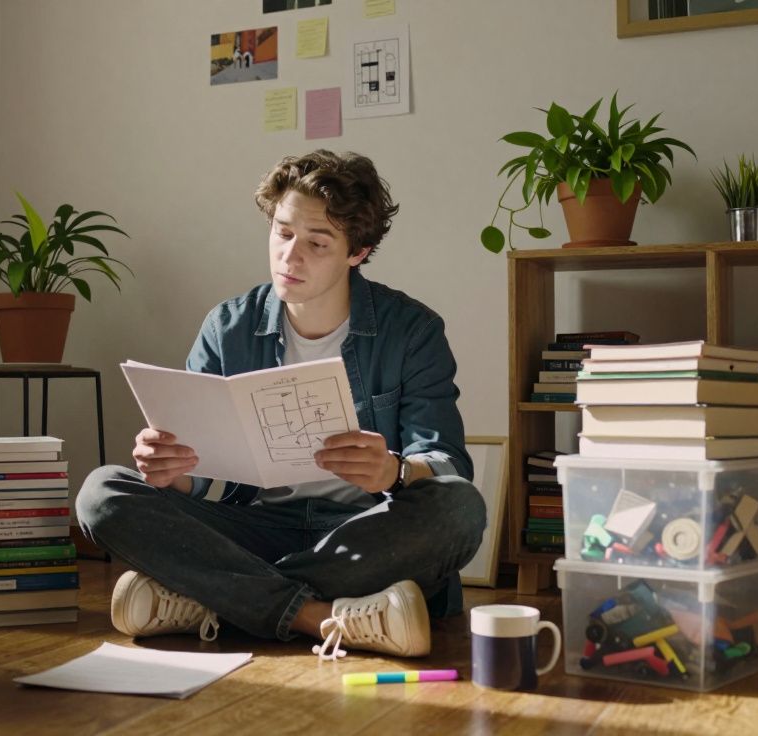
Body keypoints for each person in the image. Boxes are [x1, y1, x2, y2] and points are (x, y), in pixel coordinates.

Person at [76, 150, 486, 660]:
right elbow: (201, 475)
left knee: (460, 507)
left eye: (317, 243)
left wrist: (394, 471)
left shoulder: (413, 331)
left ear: (357, 252)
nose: (290, 258)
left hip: (362, 533)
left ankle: (215, 601)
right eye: (283, 232)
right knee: (101, 493)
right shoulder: (227, 327)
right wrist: (171, 469)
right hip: (254, 530)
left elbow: (449, 462)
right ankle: (319, 617)